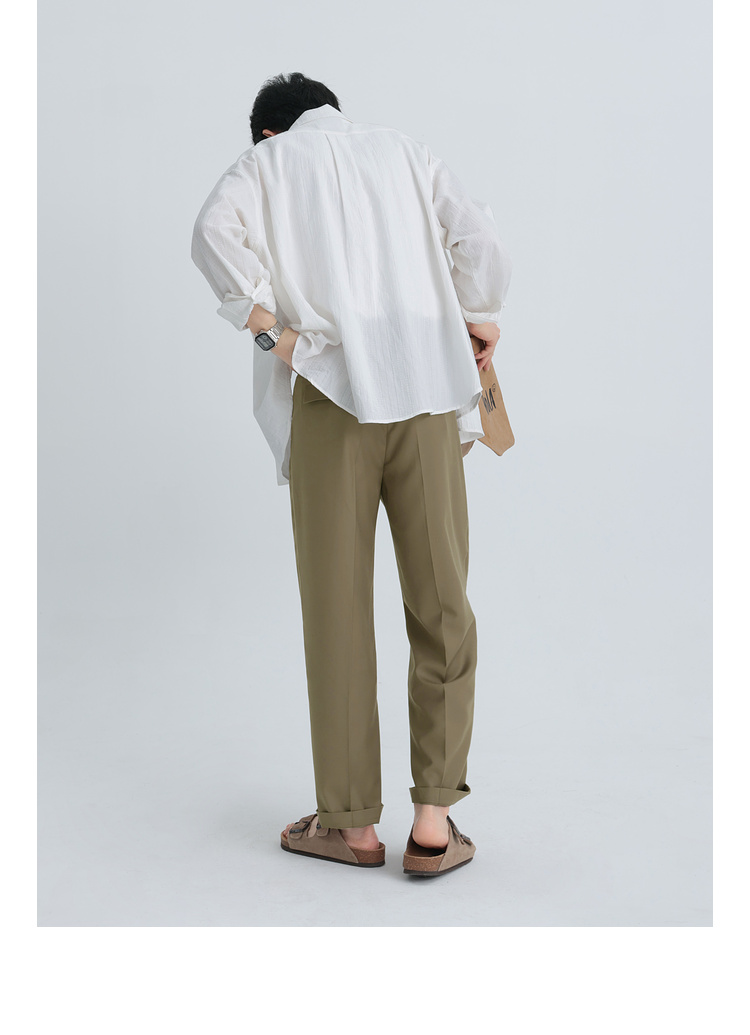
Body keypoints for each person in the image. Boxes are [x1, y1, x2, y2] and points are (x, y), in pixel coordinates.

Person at [191, 72, 512, 877]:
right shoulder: (404, 151)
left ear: (269, 132)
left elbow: (212, 235)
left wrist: (275, 335)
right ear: (332, 111)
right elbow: (479, 244)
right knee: (443, 603)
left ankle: (352, 826)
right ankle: (433, 823)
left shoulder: (266, 165)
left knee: (337, 610)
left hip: (332, 396)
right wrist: (478, 314)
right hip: (427, 391)